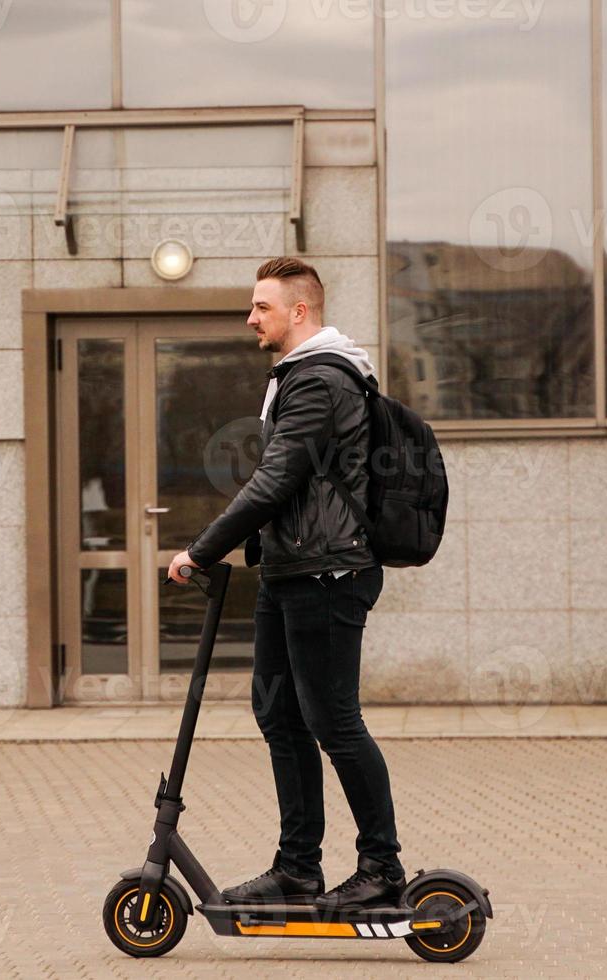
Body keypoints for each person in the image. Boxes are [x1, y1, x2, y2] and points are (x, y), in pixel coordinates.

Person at [165, 256, 404, 910]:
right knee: (279, 711)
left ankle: (382, 869)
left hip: (327, 574)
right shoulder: (298, 377)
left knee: (334, 720)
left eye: (261, 307)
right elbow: (290, 484)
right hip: (290, 569)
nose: (251, 318)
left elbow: (276, 480)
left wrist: (203, 549)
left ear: (300, 311)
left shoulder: (321, 381)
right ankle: (298, 868)